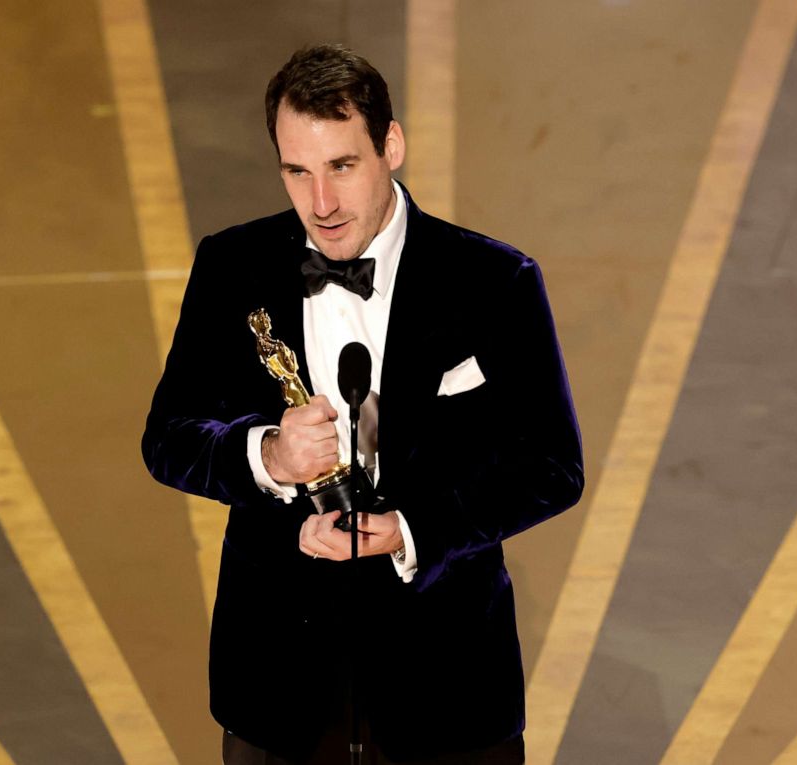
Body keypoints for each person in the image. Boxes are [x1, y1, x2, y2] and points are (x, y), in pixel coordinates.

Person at [142, 44, 583, 764]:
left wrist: (408, 528)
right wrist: (268, 454)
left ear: (391, 146)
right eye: (297, 171)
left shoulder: (494, 282)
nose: (321, 203)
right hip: (277, 688)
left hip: (448, 689)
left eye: (342, 166)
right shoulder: (233, 267)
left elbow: (551, 464)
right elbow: (168, 437)